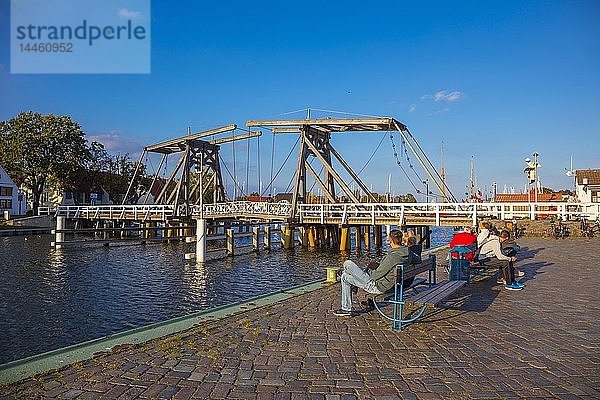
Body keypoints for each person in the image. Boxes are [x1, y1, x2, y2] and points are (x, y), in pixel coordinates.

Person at [333, 229, 417, 317]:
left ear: (390, 241)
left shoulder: (392, 257)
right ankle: (346, 309)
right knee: (345, 277)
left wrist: (367, 272)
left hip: (378, 286)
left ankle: (347, 276)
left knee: (347, 263)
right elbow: (418, 260)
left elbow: (375, 275)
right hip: (393, 284)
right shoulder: (407, 252)